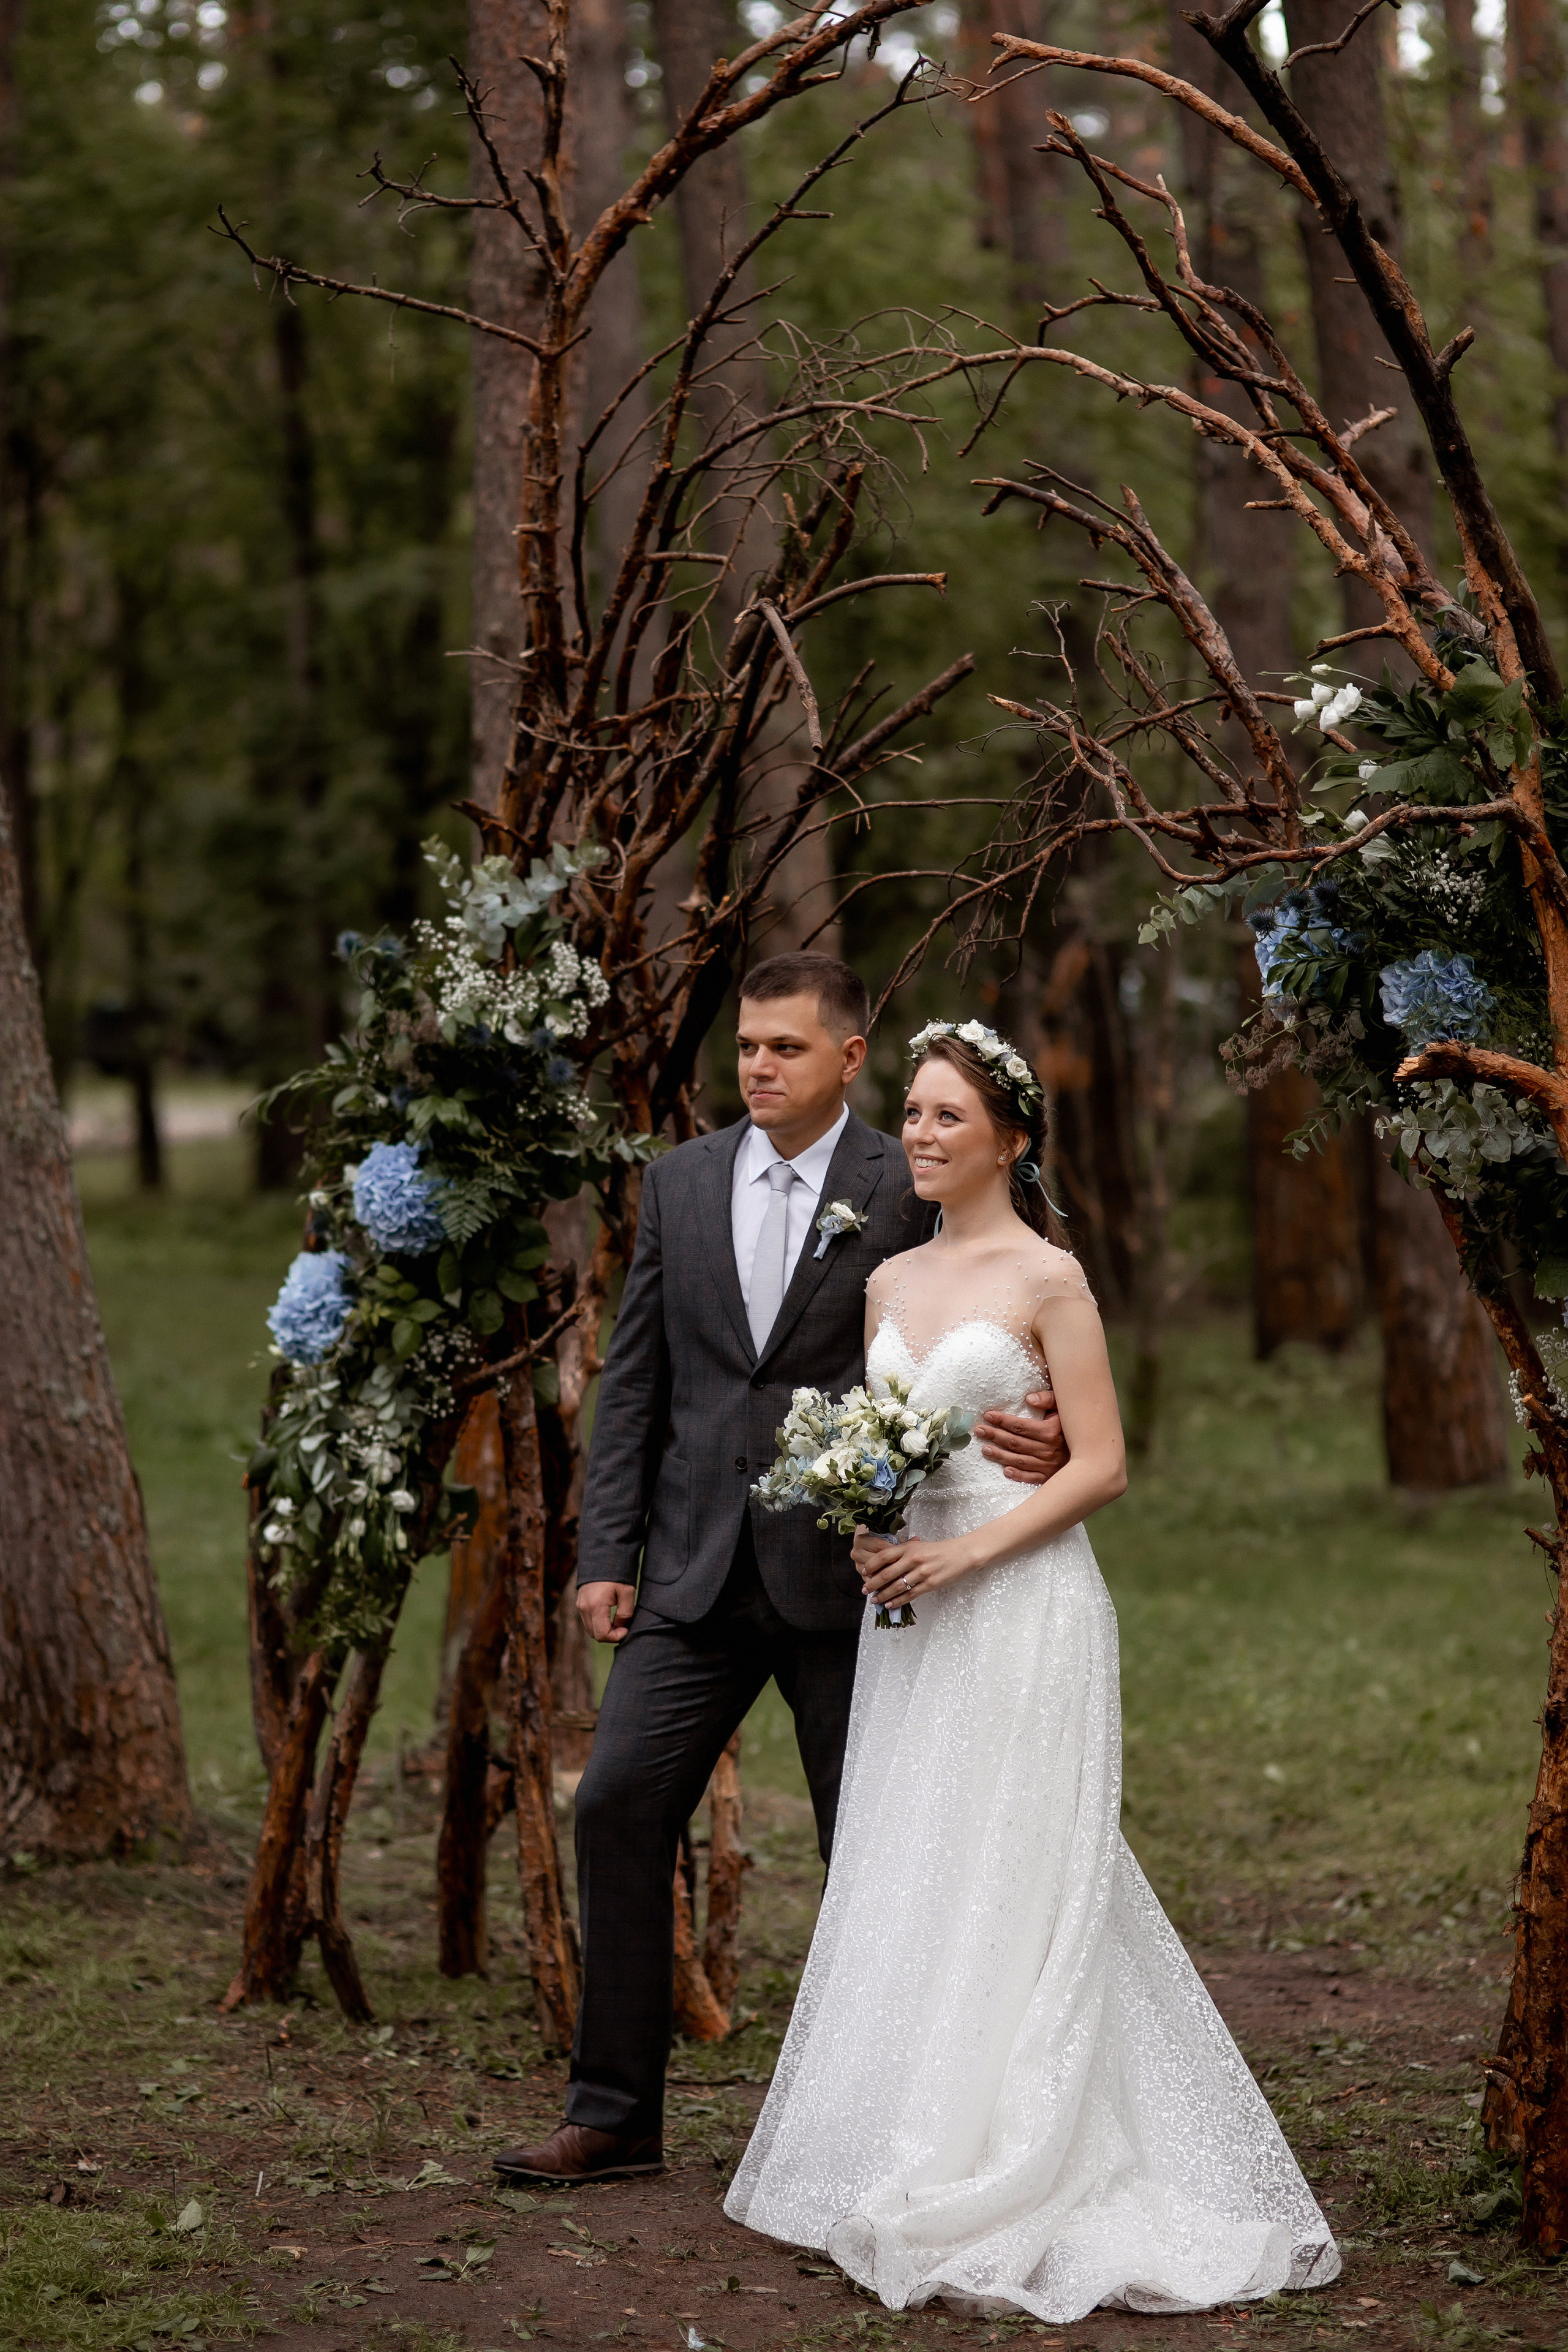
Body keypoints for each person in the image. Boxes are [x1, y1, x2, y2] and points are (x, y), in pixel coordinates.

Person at [723, 1019, 1341, 2321]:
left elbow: (1101, 1466)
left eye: (948, 1115)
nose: (920, 1134)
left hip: (1021, 1601)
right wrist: (872, 1525)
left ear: (1008, 1138)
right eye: (912, 1111)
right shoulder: (889, 1281)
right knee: (921, 1855)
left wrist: (963, 1555)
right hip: (913, 1612)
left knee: (1022, 1862)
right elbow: (890, 1440)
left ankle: (1023, 2146)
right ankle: (911, 2128)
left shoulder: (1050, 1278)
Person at [493, 955, 1066, 2185]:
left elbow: (1016, 1294)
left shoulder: (909, 1177)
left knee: (873, 1843)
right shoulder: (681, 1182)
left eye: (786, 1048)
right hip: (690, 1573)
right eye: (748, 1046)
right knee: (616, 1804)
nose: (758, 1066)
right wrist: (606, 1552)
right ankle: (614, 2118)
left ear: (848, 1059)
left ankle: (897, 2129)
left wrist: (1051, 1421)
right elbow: (638, 1379)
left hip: (856, 1579)